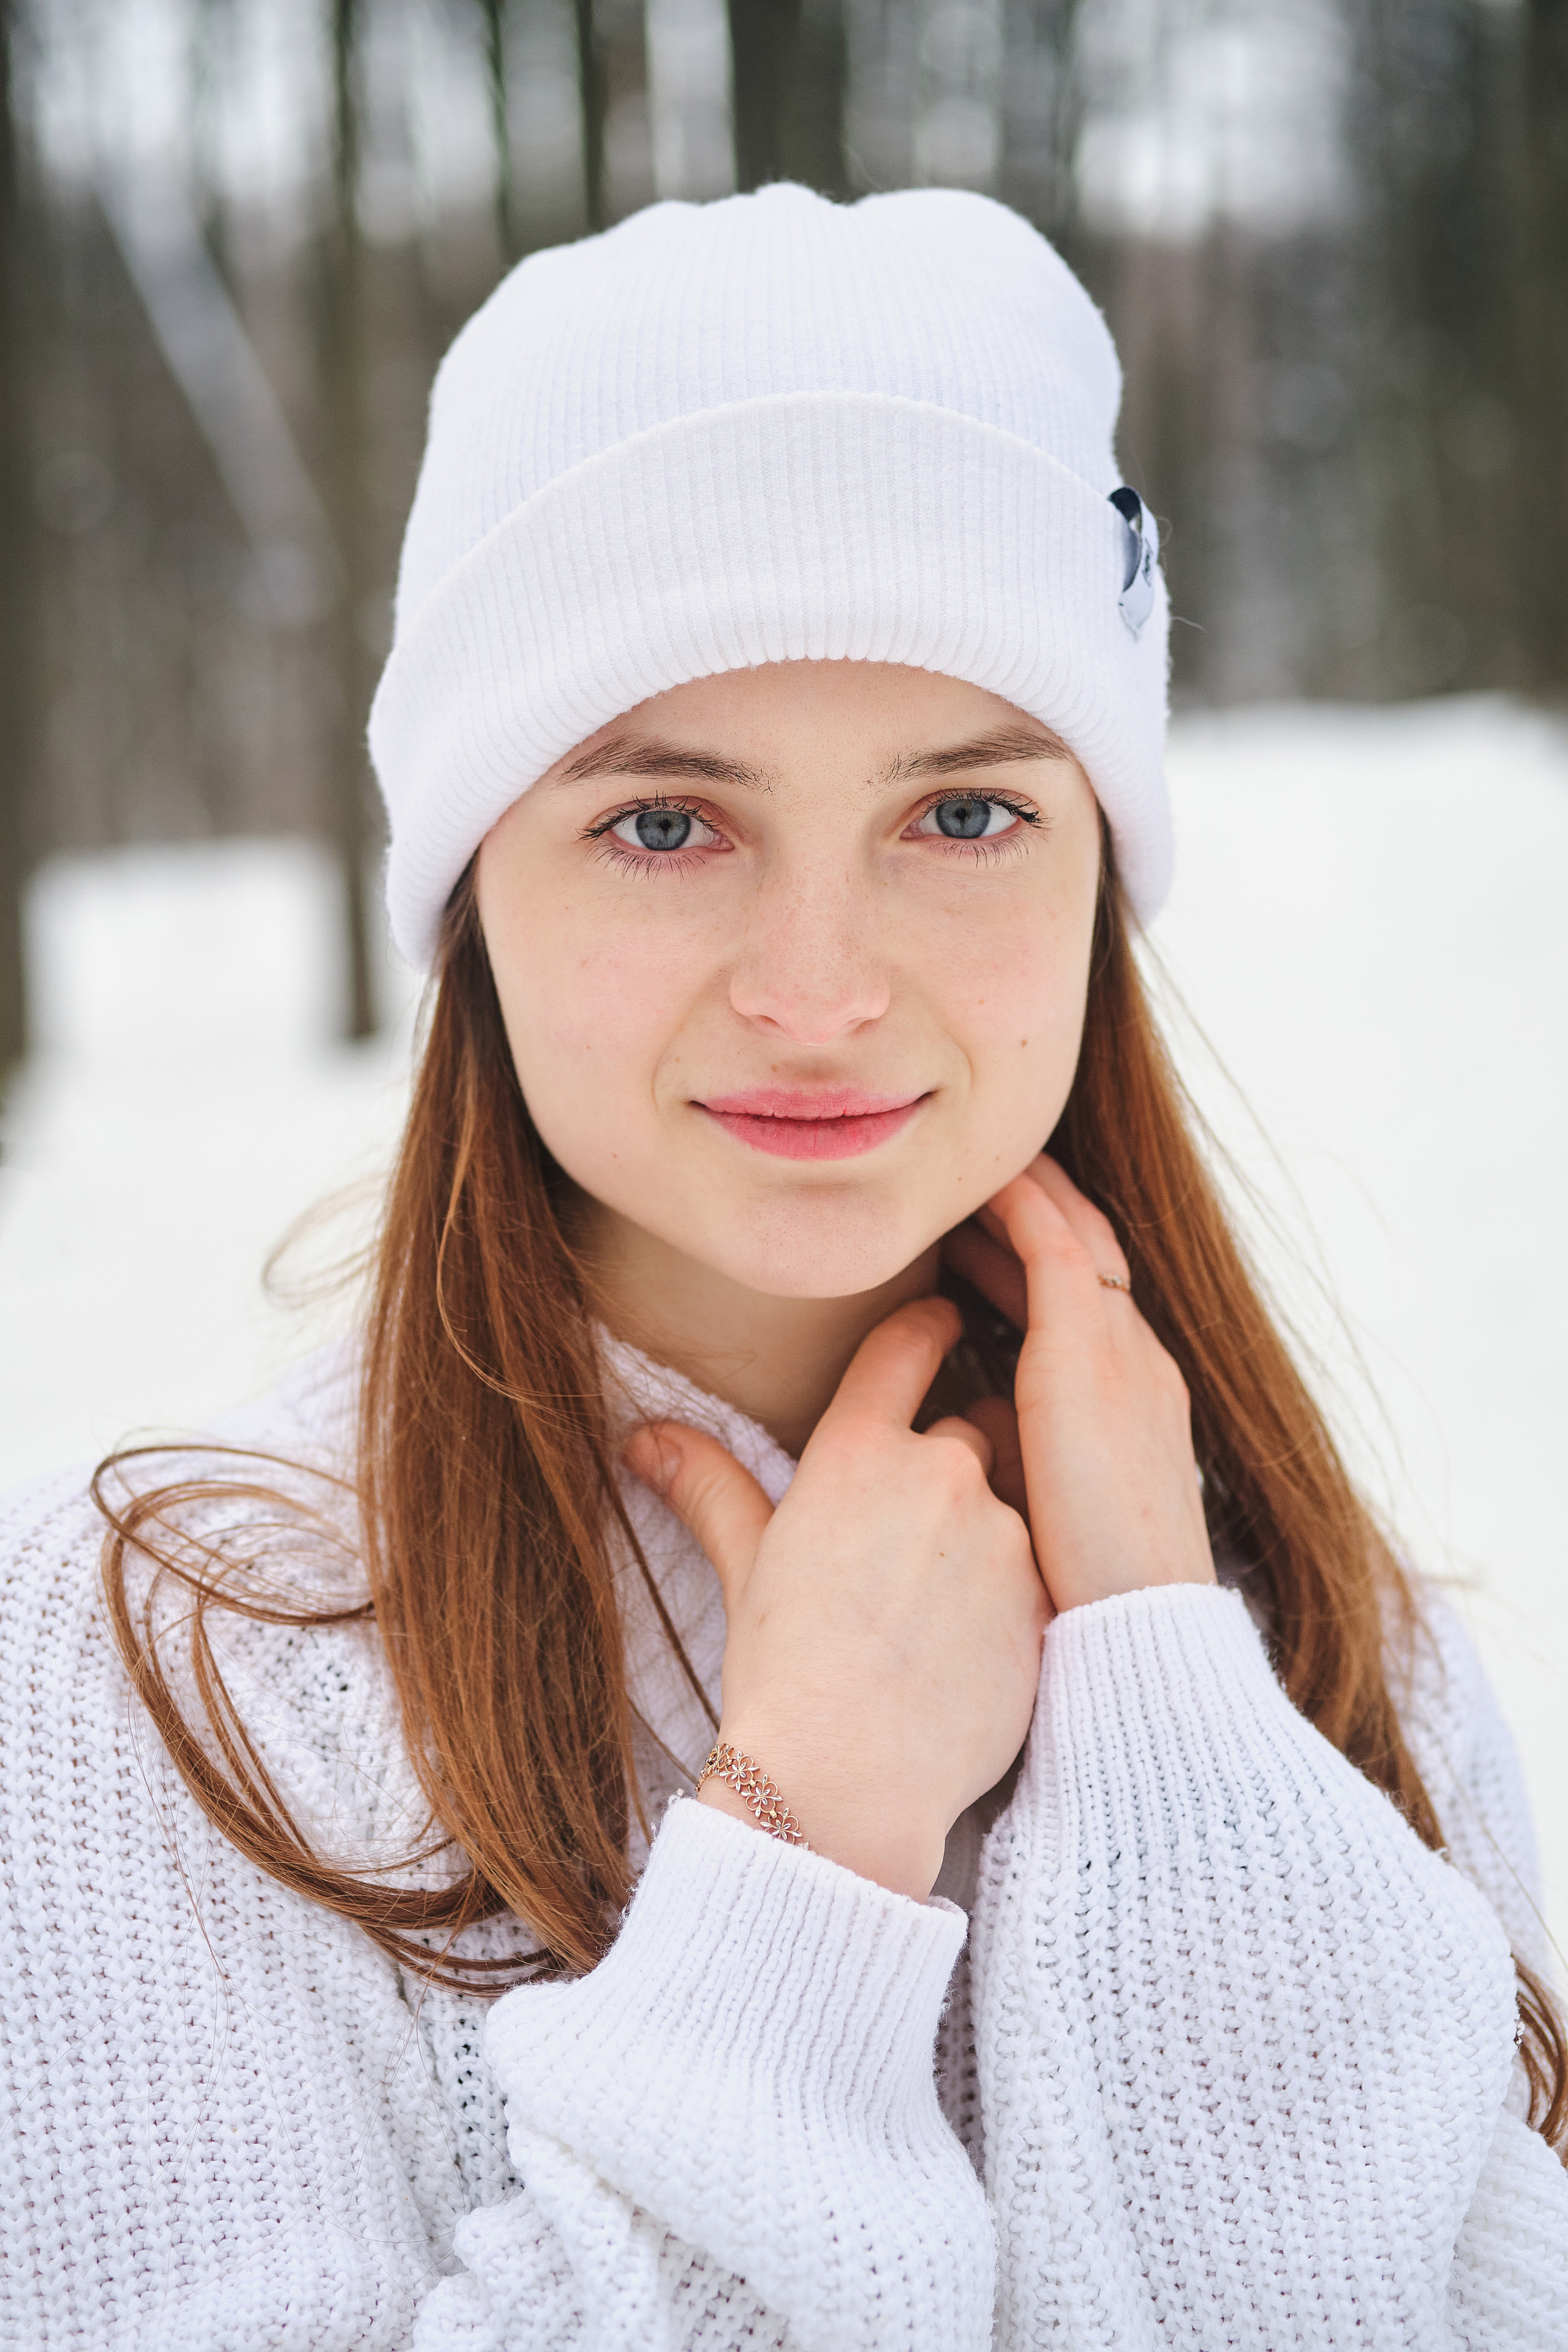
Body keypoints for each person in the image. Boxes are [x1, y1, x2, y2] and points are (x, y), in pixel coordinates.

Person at [1, 184, 1564, 2352]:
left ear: (1101, 864)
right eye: (665, 822)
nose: (818, 992)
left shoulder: (1308, 1623)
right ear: (471, 894)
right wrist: (808, 1840)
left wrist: (1167, 1706)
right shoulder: (176, 1681)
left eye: (963, 816)